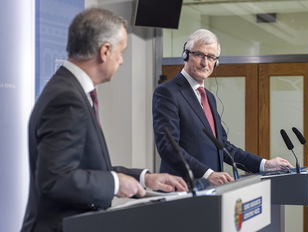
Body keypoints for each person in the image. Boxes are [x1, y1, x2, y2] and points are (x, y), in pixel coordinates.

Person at [21, 8, 188, 232]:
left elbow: (86, 167)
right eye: (122, 52)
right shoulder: (67, 97)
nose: (121, 61)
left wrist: (143, 178)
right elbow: (56, 180)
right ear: (105, 51)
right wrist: (116, 183)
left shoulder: (70, 89)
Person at [152, 29, 294, 186]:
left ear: (216, 62)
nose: (205, 63)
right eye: (199, 55)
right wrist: (208, 174)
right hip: (183, 189)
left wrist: (264, 164)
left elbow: (223, 146)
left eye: (211, 57)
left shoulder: (209, 97)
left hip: (211, 192)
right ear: (186, 55)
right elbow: (168, 147)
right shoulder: (167, 92)